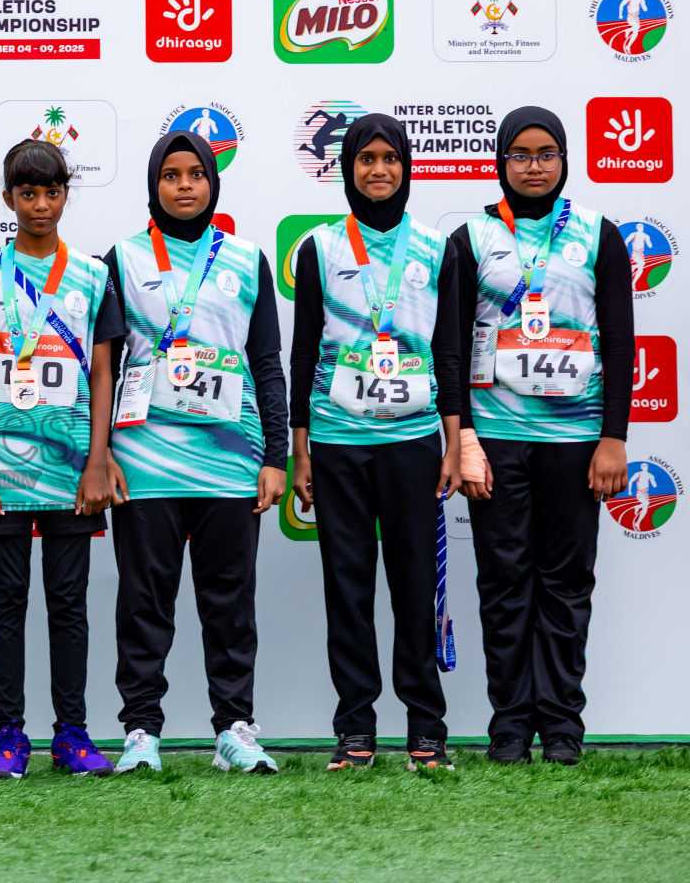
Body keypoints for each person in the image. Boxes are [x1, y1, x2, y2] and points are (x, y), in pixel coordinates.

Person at [104, 130, 289, 775]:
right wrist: (101, 455)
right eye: (170, 175)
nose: (184, 186)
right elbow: (104, 368)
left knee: (229, 601)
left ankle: (234, 728)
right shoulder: (122, 260)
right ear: (154, 184)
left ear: (214, 183)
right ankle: (141, 730)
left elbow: (266, 362)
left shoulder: (245, 259)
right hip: (144, 462)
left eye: (196, 175)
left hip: (229, 460)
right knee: (144, 601)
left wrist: (275, 455)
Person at [452, 106, 632, 766]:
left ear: (564, 160)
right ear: (501, 161)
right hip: (496, 438)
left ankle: (561, 730)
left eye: (547, 153)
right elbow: (450, 347)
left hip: (576, 439)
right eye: (522, 154)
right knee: (504, 581)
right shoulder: (472, 238)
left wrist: (613, 437)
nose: (534, 166)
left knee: (565, 582)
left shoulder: (597, 234)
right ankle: (508, 730)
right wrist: (464, 437)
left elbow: (619, 339)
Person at [289, 113, 463, 772]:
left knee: (416, 588)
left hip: (415, 442)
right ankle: (355, 730)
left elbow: (447, 353)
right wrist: (301, 452)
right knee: (348, 588)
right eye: (367, 159)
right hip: (337, 444)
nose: (379, 170)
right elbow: (303, 355)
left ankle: (427, 729)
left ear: (407, 165)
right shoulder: (320, 248)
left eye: (391, 158)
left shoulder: (434, 247)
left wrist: (452, 444)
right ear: (349, 169)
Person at [0, 139, 120, 779]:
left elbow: (104, 375)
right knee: (6, 601)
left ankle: (72, 732)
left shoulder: (91, 275)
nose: (41, 204)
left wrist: (98, 460)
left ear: (64, 197)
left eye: (52, 192)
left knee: (69, 602)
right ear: (8, 200)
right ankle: (8, 733)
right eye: (27, 193)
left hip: (71, 467)